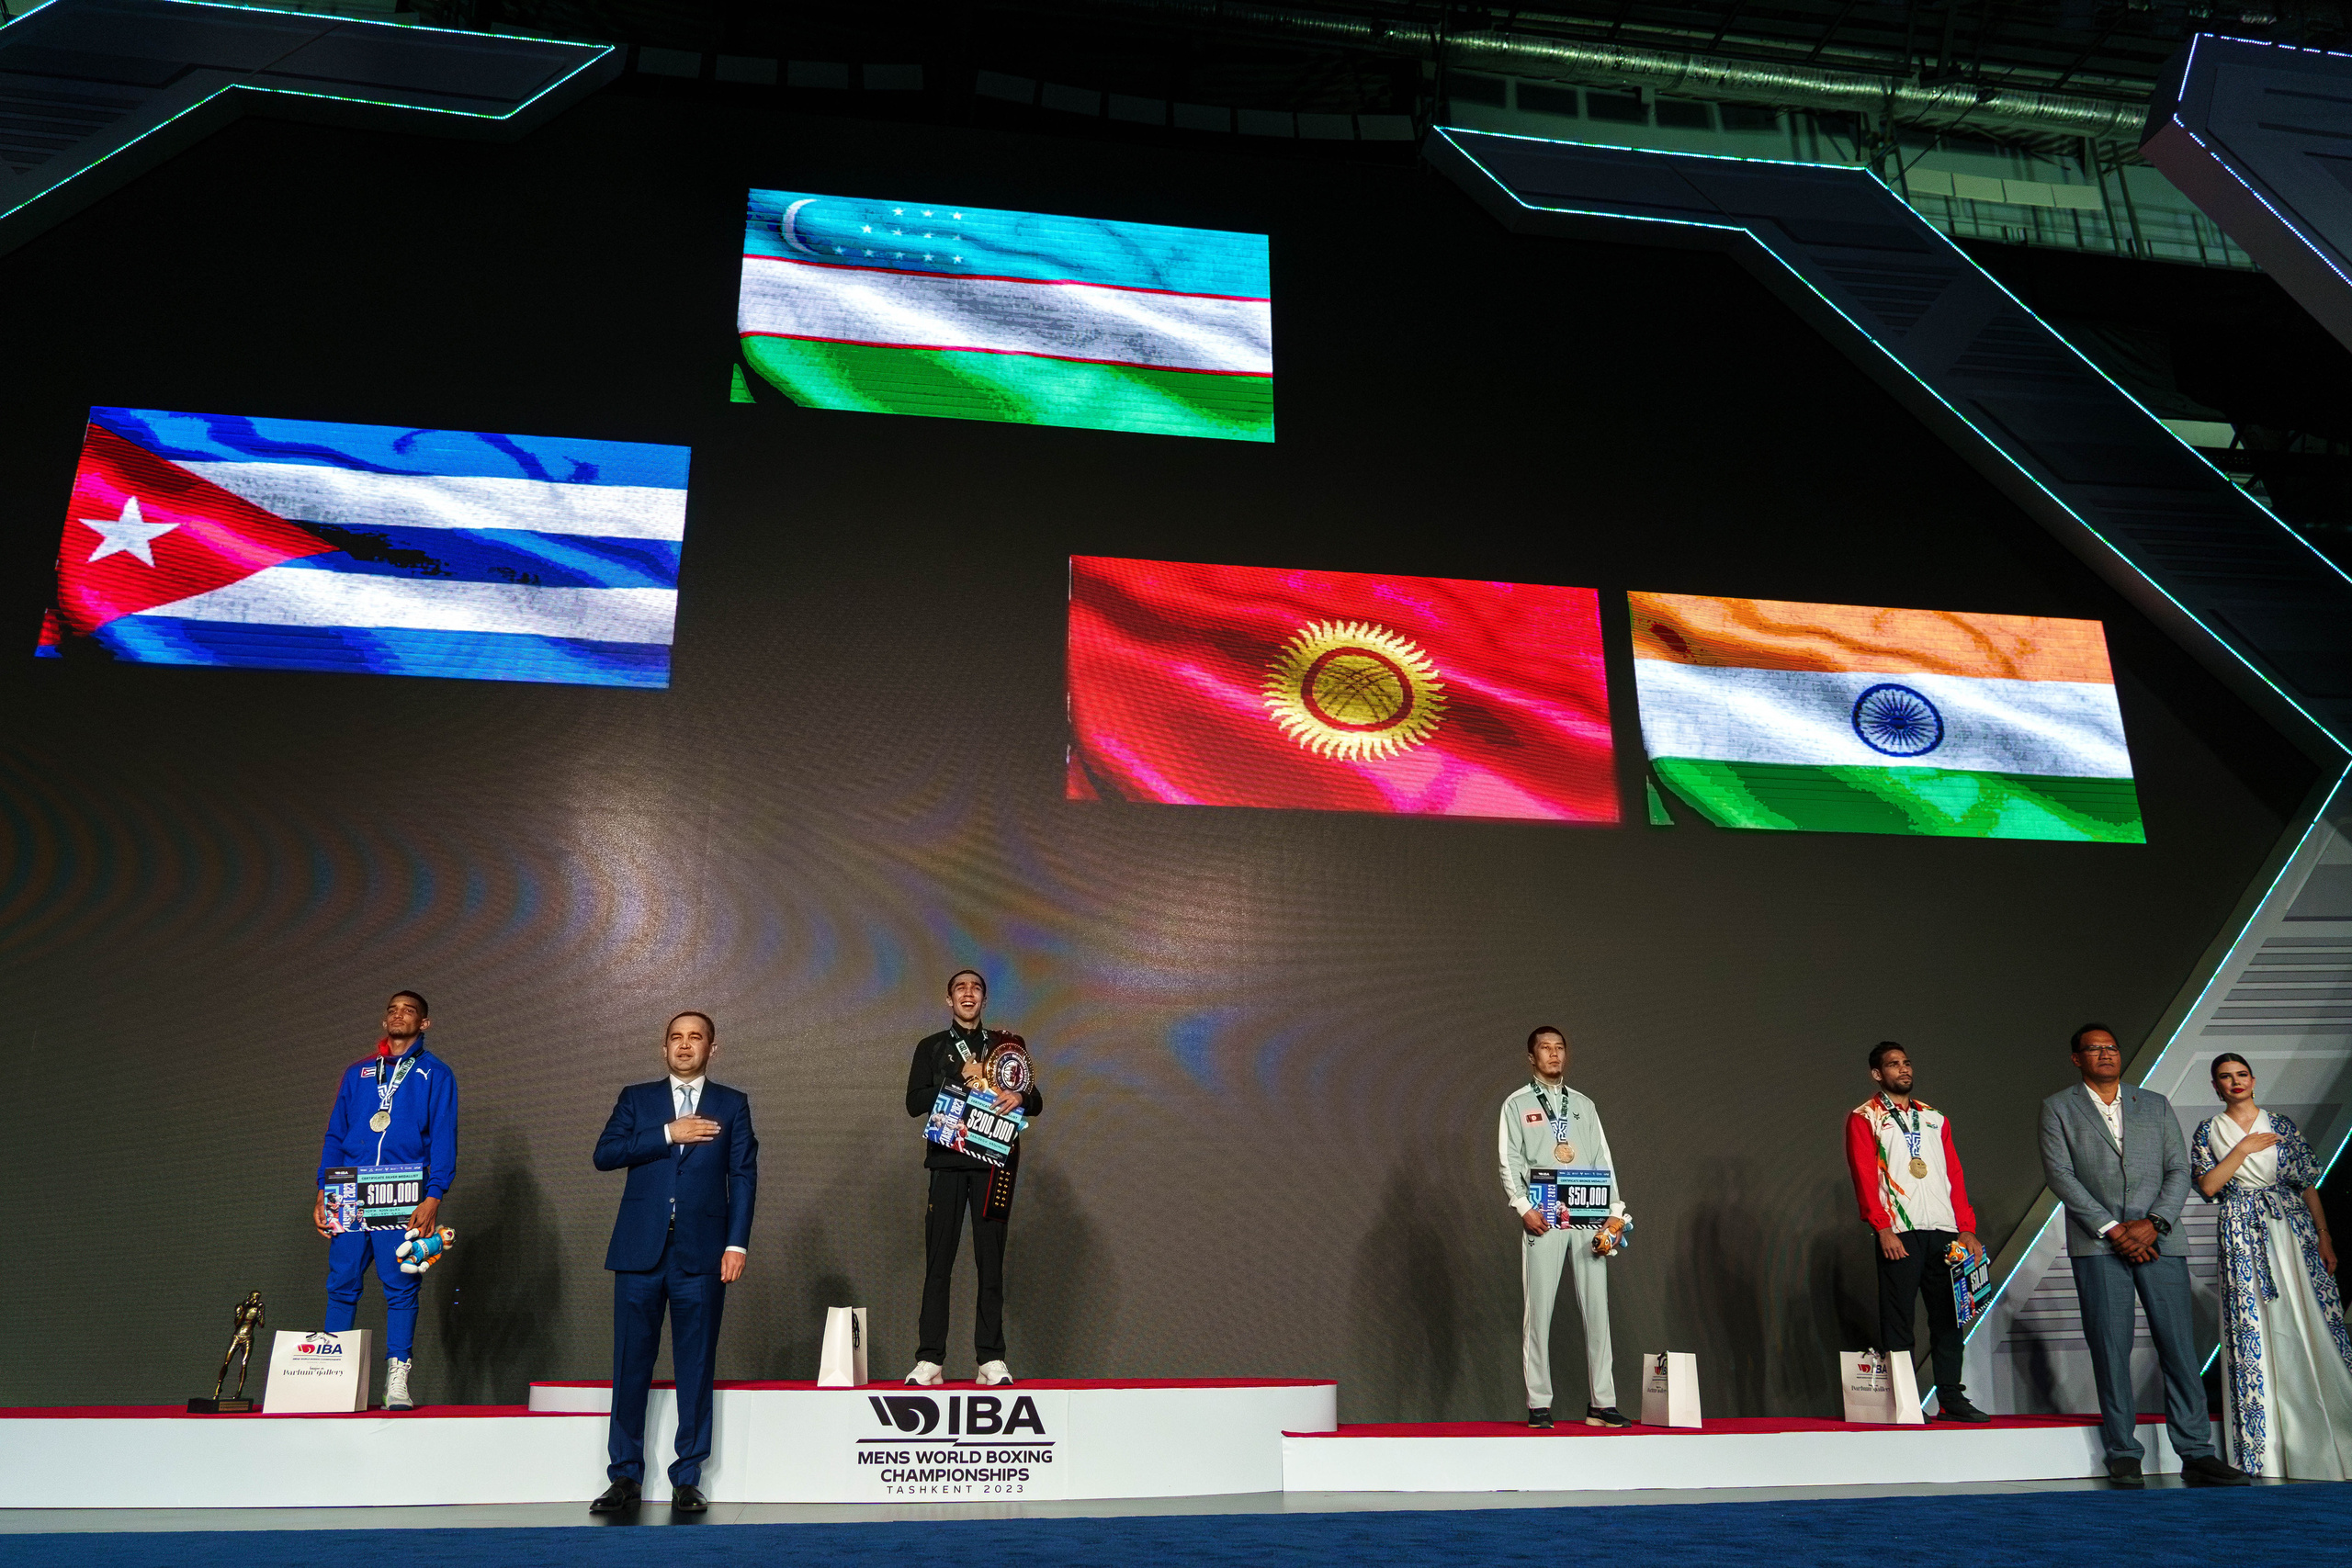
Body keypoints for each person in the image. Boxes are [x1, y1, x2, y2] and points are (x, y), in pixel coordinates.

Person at [2038, 1022, 2251, 1486]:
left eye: (2111, 1047)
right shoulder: (2058, 1107)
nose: (2106, 1055)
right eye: (2094, 1050)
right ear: (2077, 1059)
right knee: (2111, 1348)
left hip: (2161, 1242)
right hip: (2099, 1245)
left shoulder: (2153, 1104)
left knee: (2177, 1346)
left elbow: (2179, 1169)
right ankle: (2123, 1451)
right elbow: (2061, 1175)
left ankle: (2195, 1452)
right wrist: (2114, 1229)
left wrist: (2152, 1225)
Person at [590, 1011, 758, 1515]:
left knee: (696, 1366)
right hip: (639, 1253)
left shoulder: (733, 1104)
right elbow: (605, 1154)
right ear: (664, 1048)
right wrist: (668, 1132)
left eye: (696, 1038)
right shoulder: (637, 1099)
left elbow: (743, 1177)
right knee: (629, 1367)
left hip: (703, 1254)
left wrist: (737, 1244)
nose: (685, 1046)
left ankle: (688, 1477)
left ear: (713, 1048)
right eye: (676, 1038)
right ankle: (624, 1478)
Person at [2192, 1052, 2352, 1478]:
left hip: (2292, 1227)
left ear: (2253, 1078)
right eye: (2225, 1077)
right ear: (2216, 1086)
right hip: (2242, 1230)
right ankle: (2267, 1448)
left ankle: (2329, 1428)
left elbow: (2307, 1184)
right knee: (2256, 1320)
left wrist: (2324, 1235)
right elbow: (2209, 1185)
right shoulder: (2209, 1130)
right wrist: (2243, 1148)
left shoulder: (2280, 1124)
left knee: (2308, 1315)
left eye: (2241, 1074)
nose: (2235, 1081)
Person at [311, 990, 457, 1413]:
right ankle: (330, 1380)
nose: (399, 1015)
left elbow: (444, 1137)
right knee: (341, 1285)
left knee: (400, 1287)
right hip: (349, 1189)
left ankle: (397, 1378)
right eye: (392, 1010)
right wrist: (324, 1189)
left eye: (409, 1010)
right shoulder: (357, 1073)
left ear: (424, 1024)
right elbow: (335, 1134)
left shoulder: (436, 1074)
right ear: (383, 1021)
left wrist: (434, 1195)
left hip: (403, 1188)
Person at [903, 968, 1043, 1388]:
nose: (968, 994)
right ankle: (930, 1360)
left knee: (991, 1262)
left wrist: (1018, 1095)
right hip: (946, 1164)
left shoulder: (1007, 1047)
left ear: (984, 999)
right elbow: (913, 1102)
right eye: (960, 988)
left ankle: (991, 1359)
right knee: (938, 1262)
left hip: (992, 1167)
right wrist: (957, 1080)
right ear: (949, 1000)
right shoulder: (930, 1047)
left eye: (976, 988)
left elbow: (1035, 1100)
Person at [1843, 1042, 1990, 1422]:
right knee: (1899, 1320)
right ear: (1878, 1074)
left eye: (1906, 1062)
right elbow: (1864, 1176)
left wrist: (1966, 1229)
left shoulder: (1934, 1117)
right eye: (1893, 1065)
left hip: (1944, 1232)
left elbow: (1952, 1176)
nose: (1903, 1069)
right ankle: (1905, 1402)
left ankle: (1952, 1399)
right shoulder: (1866, 1117)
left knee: (1949, 1319)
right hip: (1900, 1231)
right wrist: (1882, 1228)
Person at [1498, 1025, 1630, 1429]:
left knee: (1598, 1310)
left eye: (1559, 1048)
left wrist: (1615, 1212)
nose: (1553, 1055)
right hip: (1544, 1214)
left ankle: (1601, 1403)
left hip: (1587, 1214)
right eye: (1545, 1049)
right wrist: (1523, 1207)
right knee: (1539, 1310)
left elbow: (1602, 1160)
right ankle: (1539, 1402)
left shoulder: (1584, 1106)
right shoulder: (1517, 1104)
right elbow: (1509, 1159)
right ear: (1531, 1058)